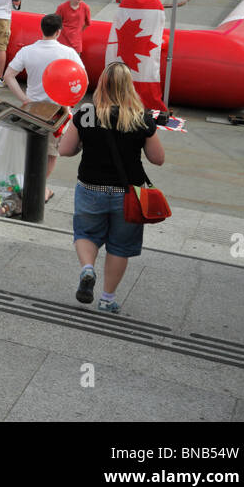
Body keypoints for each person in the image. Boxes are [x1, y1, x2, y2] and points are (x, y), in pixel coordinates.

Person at [60, 62, 164, 313]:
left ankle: (87, 268)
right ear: (129, 87)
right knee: (119, 246)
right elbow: (157, 158)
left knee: (85, 234)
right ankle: (107, 298)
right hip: (127, 194)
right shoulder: (141, 118)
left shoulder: (85, 113)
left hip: (90, 188)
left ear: (102, 85)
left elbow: (65, 150)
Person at [4, 13, 83, 181]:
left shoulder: (27, 51)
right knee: (51, 154)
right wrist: (69, 101)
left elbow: (8, 76)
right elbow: (83, 79)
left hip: (33, 109)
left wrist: (24, 98)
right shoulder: (68, 53)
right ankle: (38, 187)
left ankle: (28, 183)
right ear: (59, 32)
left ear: (41, 29)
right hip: (57, 112)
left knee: (31, 149)